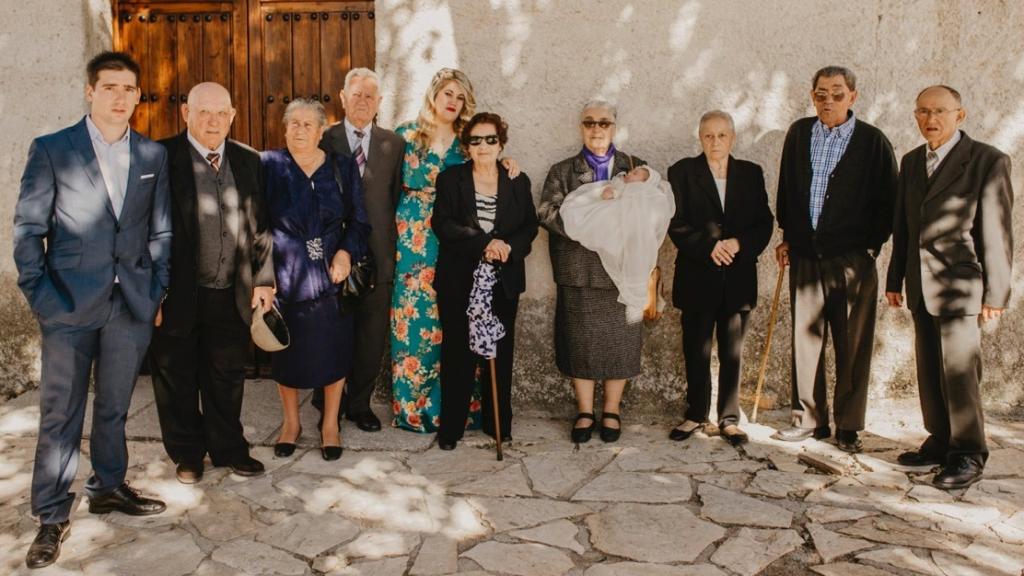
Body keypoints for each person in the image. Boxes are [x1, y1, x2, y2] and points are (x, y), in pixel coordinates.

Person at [13, 51, 171, 569]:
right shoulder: (53, 149)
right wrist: (43, 301)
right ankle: (51, 515)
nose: (121, 97)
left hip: (130, 306)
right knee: (61, 415)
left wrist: (156, 289)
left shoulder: (151, 156)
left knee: (115, 406)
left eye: (129, 88)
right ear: (90, 92)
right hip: (68, 307)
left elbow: (161, 230)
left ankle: (107, 485)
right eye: (110, 87)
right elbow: (28, 232)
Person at [885, 85, 1014, 489]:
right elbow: (903, 227)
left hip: (960, 284)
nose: (931, 119)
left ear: (961, 114)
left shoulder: (987, 161)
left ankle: (968, 453)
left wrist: (996, 293)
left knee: (959, 373)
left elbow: (997, 231)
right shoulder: (910, 162)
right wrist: (894, 279)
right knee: (929, 368)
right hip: (920, 283)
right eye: (923, 111)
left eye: (940, 110)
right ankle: (940, 440)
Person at [149, 82, 274, 484]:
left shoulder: (249, 160)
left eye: (221, 113)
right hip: (176, 293)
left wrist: (264, 279)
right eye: (204, 112)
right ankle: (187, 454)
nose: (213, 120)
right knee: (176, 376)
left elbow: (261, 228)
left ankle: (229, 449)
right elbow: (140, 229)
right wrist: (151, 292)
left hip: (231, 290)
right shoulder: (161, 156)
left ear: (232, 116)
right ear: (186, 113)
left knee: (226, 376)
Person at [773, 66, 898, 453]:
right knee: (805, 339)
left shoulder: (873, 142)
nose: (828, 101)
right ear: (812, 96)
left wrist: (869, 248)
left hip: (852, 261)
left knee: (852, 343)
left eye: (837, 94)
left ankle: (848, 424)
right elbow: (787, 190)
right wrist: (788, 236)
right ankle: (809, 419)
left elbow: (888, 202)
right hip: (806, 256)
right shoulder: (799, 133)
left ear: (853, 97)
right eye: (821, 94)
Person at [390, 68, 518, 433]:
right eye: (447, 93)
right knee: (414, 325)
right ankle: (414, 410)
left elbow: (489, 169)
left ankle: (460, 410)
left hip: (459, 241)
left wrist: (507, 163)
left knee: (458, 326)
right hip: (412, 243)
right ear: (433, 94)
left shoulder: (469, 141)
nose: (453, 101)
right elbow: (386, 186)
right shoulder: (405, 136)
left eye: (460, 97)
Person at [262, 98, 370, 460]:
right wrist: (263, 275)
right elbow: (255, 224)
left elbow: (359, 220)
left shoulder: (341, 167)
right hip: (284, 273)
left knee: (334, 351)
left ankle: (330, 424)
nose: (300, 130)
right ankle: (291, 422)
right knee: (286, 353)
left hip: (331, 275)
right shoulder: (269, 166)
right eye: (294, 123)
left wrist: (345, 253)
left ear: (322, 131)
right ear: (285, 127)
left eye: (309, 125)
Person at [538, 100, 647, 443]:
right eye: (589, 123)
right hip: (579, 269)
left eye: (604, 122)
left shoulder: (635, 166)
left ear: (615, 127)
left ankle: (611, 410)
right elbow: (546, 212)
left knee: (621, 343)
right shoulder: (562, 171)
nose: (596, 129)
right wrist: (588, 226)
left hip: (622, 272)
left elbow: (649, 212)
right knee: (579, 342)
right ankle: (585, 410)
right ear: (581, 127)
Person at [432, 112, 539, 450]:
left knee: (500, 351)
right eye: (476, 140)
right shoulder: (451, 180)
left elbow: (529, 226)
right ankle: (451, 428)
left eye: (490, 139)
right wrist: (484, 243)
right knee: (458, 353)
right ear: (467, 145)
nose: (483, 146)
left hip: (503, 279)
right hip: (459, 279)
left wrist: (508, 246)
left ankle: (498, 424)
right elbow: (443, 224)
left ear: (500, 143)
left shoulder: (517, 181)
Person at [666, 110, 774, 445]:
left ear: (733, 137)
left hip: (738, 278)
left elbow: (764, 222)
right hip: (698, 275)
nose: (715, 142)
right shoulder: (683, 172)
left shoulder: (751, 173)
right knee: (696, 349)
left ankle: (729, 417)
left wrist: (739, 243)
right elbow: (675, 222)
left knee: (732, 352)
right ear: (700, 137)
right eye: (709, 135)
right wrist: (708, 247)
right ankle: (696, 413)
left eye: (722, 135)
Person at [314, 68, 405, 433]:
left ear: (380, 102)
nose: (363, 101)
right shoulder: (324, 138)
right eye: (357, 94)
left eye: (371, 95)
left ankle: (359, 404)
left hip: (379, 254)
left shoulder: (393, 144)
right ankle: (326, 404)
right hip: (333, 256)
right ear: (342, 97)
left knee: (370, 335)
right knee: (332, 332)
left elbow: (397, 195)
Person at [560, 164, 674, 323]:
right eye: (632, 171)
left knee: (636, 268)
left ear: (644, 184)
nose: (629, 173)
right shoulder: (619, 185)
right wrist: (609, 193)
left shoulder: (640, 194)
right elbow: (607, 195)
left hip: (632, 242)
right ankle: (635, 300)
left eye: (635, 174)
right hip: (609, 243)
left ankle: (637, 300)